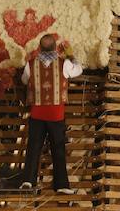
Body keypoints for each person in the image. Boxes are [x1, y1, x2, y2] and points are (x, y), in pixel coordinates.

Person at [18, 34, 83, 194]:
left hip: (37, 114)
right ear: (55, 47)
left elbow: (24, 81)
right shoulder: (64, 63)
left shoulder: (30, 64)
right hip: (56, 115)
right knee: (58, 150)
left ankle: (28, 181)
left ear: (39, 48)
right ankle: (61, 185)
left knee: (33, 148)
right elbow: (79, 70)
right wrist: (70, 54)